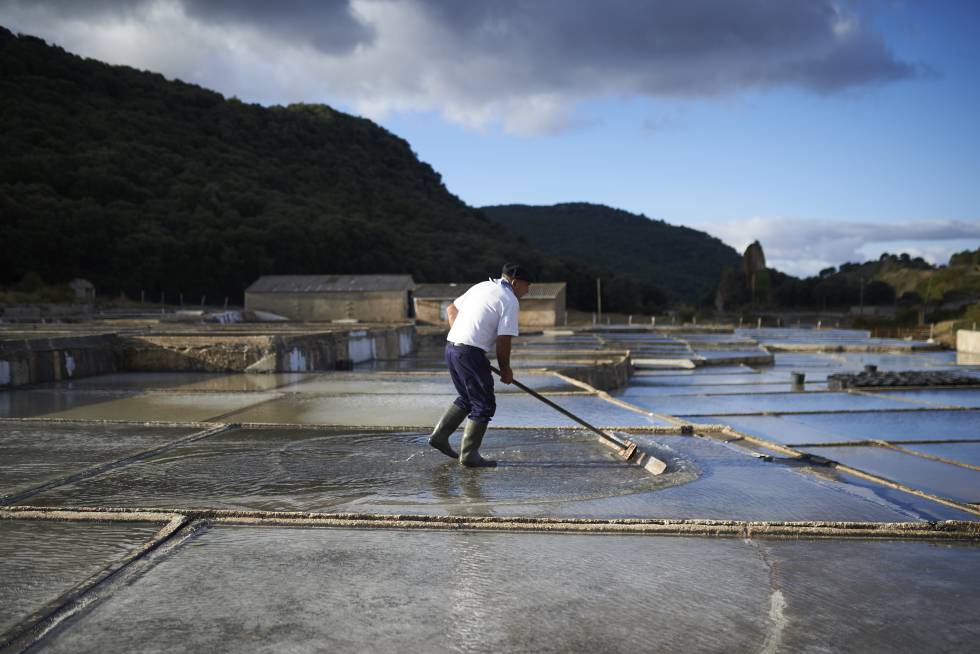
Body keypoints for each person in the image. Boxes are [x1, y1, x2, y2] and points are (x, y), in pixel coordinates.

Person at [427, 263, 532, 467]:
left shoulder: (482, 286)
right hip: (469, 352)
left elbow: (451, 308)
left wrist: (461, 335)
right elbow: (504, 340)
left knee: (468, 398)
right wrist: (505, 370)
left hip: (452, 348)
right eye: (527, 285)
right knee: (484, 404)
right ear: (515, 282)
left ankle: (439, 437)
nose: (527, 291)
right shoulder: (509, 300)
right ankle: (469, 455)